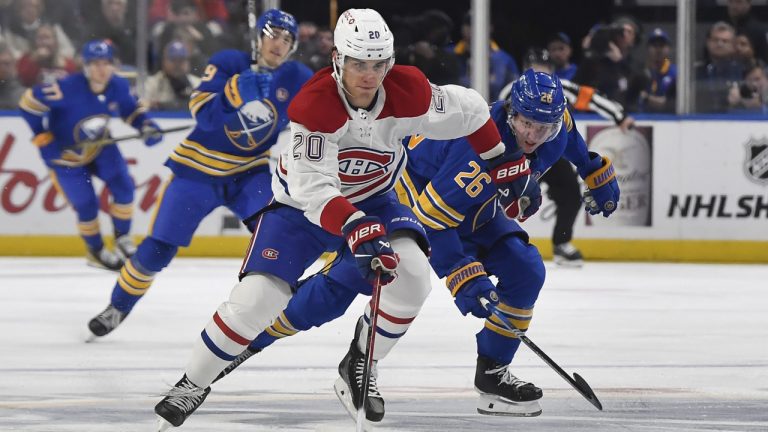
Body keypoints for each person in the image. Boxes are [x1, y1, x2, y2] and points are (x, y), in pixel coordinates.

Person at [153, 8, 538, 429]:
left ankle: (361, 361)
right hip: (300, 212)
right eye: (358, 63)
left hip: (375, 201)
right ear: (338, 59)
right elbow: (313, 189)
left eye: (377, 64)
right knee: (259, 299)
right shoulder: (315, 105)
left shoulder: (409, 91)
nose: (368, 75)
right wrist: (354, 226)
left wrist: (501, 159)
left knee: (412, 279)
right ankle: (192, 383)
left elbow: (470, 110)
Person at [212, 69, 620, 418]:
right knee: (348, 285)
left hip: (475, 207)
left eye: (543, 127)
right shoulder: (477, 153)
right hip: (417, 203)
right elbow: (435, 222)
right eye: (526, 123)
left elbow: (569, 142)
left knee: (525, 269)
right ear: (511, 113)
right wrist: (464, 277)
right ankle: (262, 334)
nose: (533, 135)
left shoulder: (555, 126)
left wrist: (593, 169)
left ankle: (492, 375)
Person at [85, 9, 313, 339]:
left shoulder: (298, 77)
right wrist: (234, 94)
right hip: (196, 171)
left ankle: (279, 305)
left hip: (248, 173)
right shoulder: (229, 61)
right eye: (273, 34)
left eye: (287, 39)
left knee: (277, 232)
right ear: (259, 36)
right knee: (158, 250)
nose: (279, 43)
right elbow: (202, 115)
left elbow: (322, 114)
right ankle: (117, 307)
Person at [18, 40, 162, 270]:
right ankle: (95, 251)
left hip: (100, 147)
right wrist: (43, 137)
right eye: (95, 64)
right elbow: (28, 103)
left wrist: (146, 126)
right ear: (85, 66)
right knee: (87, 205)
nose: (101, 69)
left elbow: (130, 110)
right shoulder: (65, 87)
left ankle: (122, 238)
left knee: (124, 186)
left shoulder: (118, 85)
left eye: (106, 63)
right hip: (65, 158)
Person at [499, 48, 632, 266]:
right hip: (513, 155)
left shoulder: (559, 92)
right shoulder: (512, 92)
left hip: (550, 150)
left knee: (570, 194)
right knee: (501, 202)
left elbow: (589, 97)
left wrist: (618, 116)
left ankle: (562, 242)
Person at [144, 40, 201, 110]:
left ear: (188, 63)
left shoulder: (198, 84)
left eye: (181, 60)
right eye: (173, 60)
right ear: (164, 61)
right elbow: (143, 107)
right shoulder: (151, 84)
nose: (177, 65)